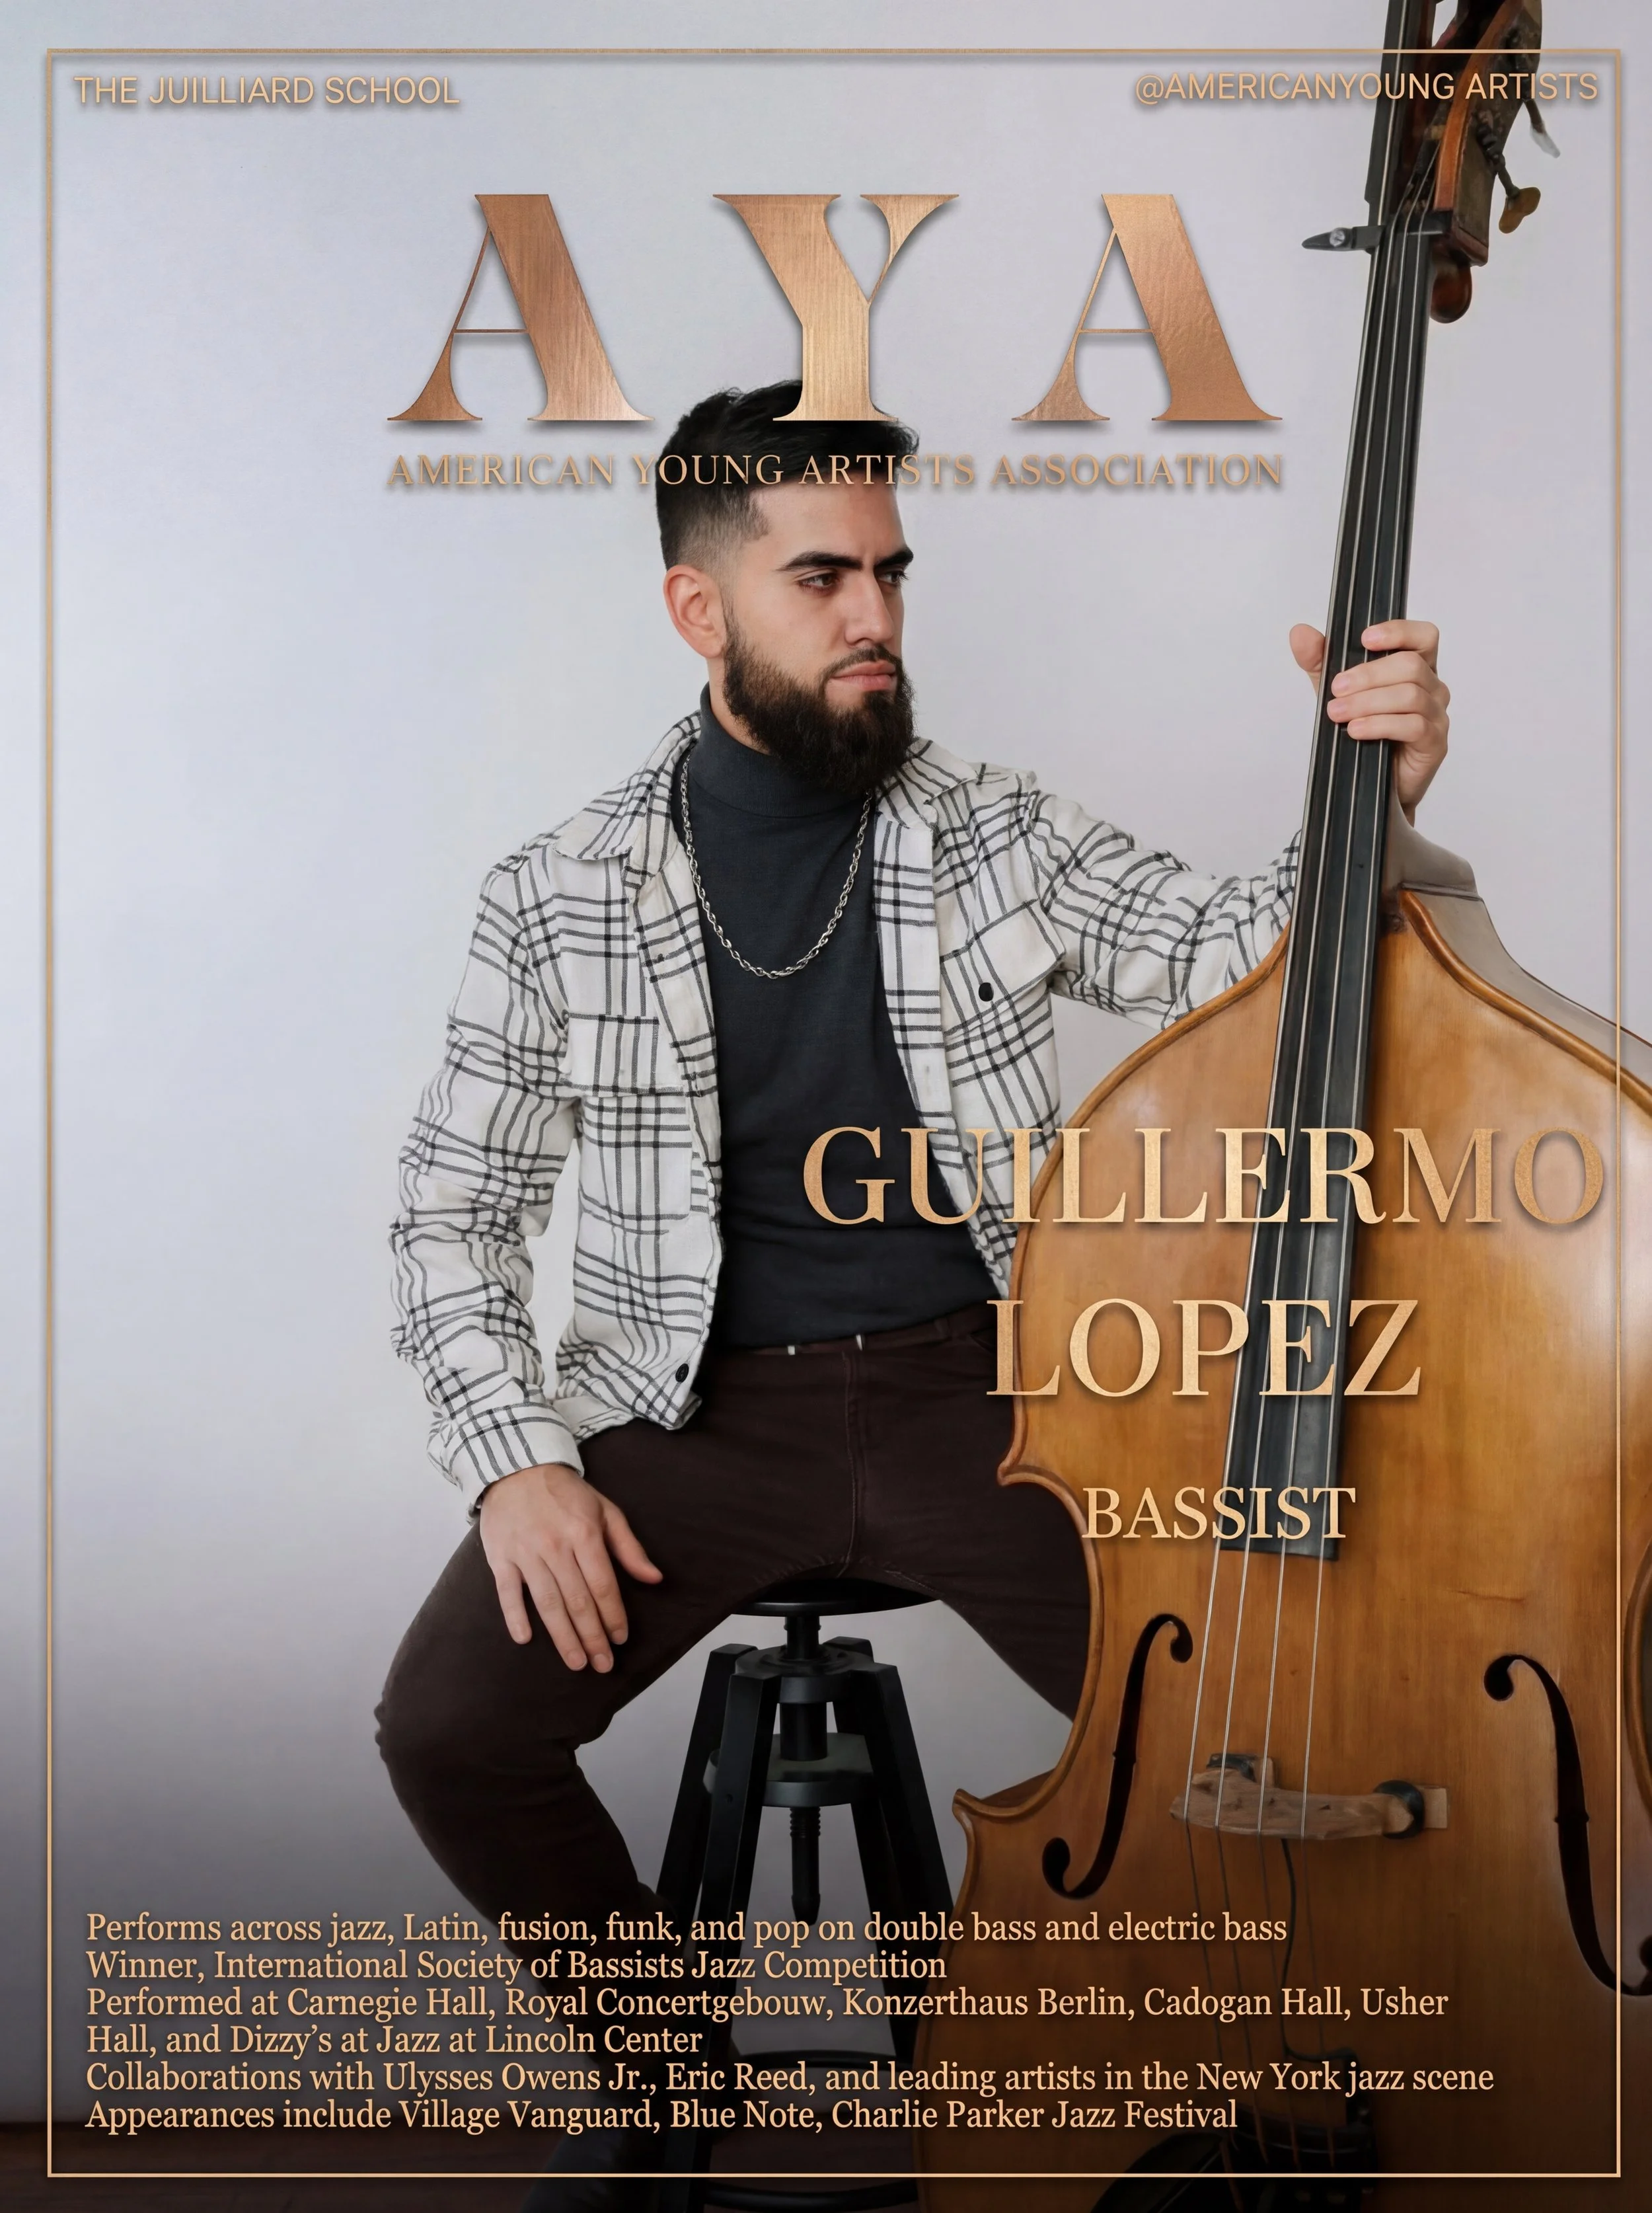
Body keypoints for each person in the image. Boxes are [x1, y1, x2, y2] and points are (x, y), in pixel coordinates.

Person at [376, 383, 1450, 2208]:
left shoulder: (986, 825)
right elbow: (448, 1217)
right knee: (452, 1724)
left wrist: (1372, 790)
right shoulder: (555, 892)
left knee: (1263, 1743)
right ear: (700, 611)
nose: (873, 615)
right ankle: (665, 2071)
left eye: (889, 571)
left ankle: (1244, 2097)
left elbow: (1225, 959)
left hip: (997, 1395)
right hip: (690, 1413)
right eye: (820, 579)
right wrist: (515, 1464)